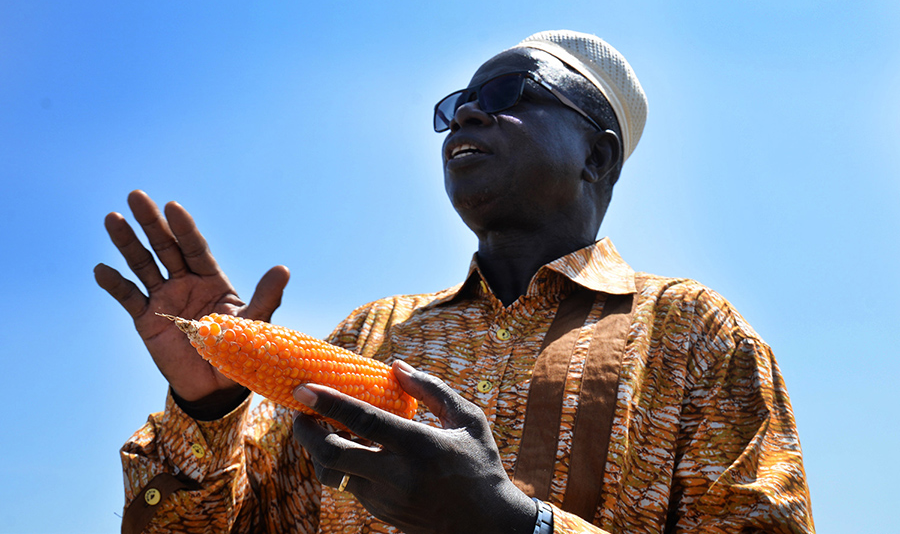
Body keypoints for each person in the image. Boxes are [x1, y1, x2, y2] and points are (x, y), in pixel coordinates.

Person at [96, 30, 815, 534]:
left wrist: (510, 523)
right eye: (454, 106)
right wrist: (211, 406)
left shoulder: (695, 336)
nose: (466, 113)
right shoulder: (370, 334)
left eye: (509, 92)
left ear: (597, 156)